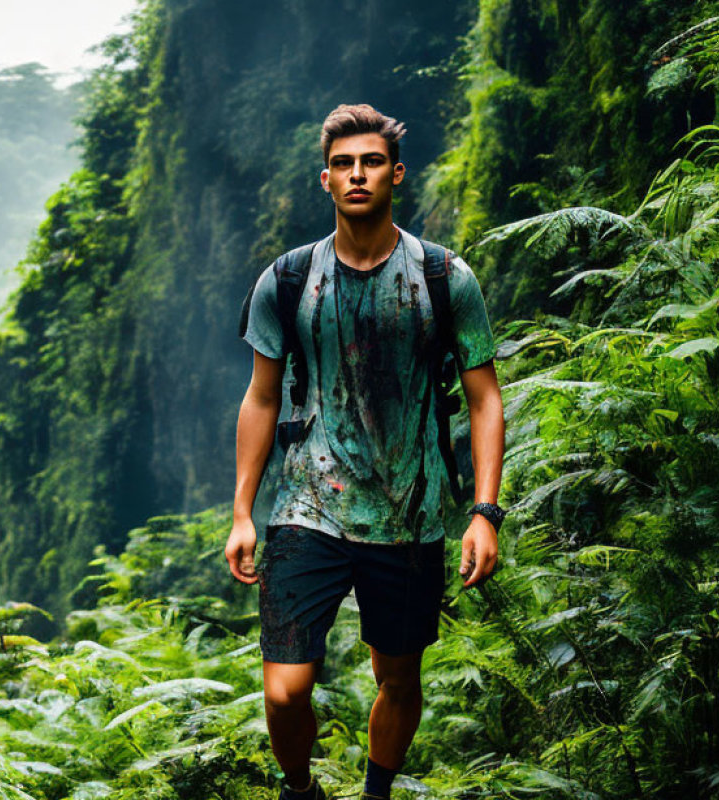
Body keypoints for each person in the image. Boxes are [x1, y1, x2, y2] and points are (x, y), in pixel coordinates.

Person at [225, 103, 506, 800]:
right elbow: (261, 398)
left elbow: (484, 399)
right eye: (345, 164)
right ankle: (301, 790)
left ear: (396, 174)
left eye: (372, 162)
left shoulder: (444, 278)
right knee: (287, 692)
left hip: (409, 516)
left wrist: (484, 512)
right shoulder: (287, 281)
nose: (358, 175)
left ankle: (375, 792)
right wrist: (241, 511)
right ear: (325, 179)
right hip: (305, 507)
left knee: (398, 679)